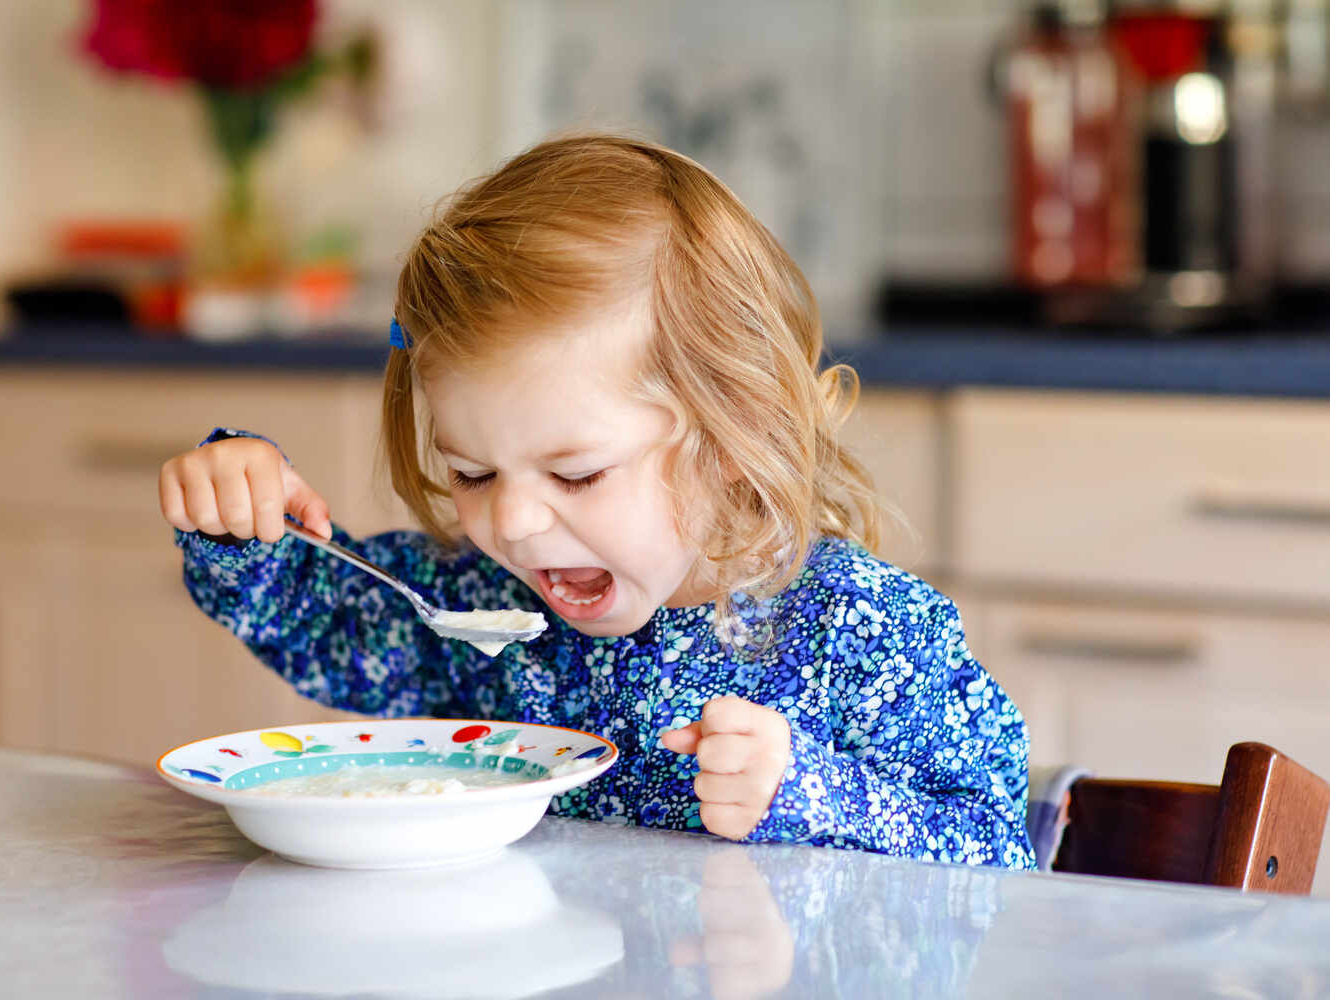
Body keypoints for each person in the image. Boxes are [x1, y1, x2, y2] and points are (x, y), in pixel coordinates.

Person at [158, 133, 1035, 869]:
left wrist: (810, 791)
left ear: (735, 434)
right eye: (472, 474)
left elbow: (1001, 862)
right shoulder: (485, 609)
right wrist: (242, 521)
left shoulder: (859, 632)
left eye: (575, 475)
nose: (512, 522)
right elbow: (324, 622)